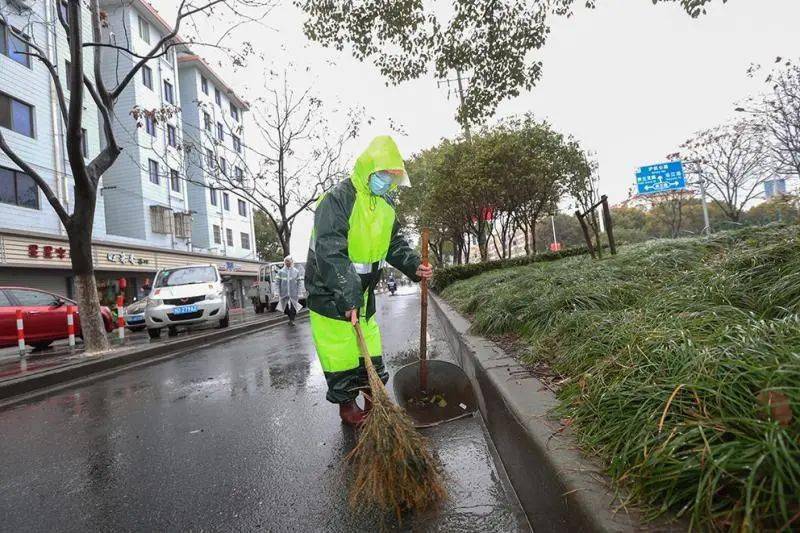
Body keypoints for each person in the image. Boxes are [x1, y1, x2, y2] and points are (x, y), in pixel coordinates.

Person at [305, 135, 433, 427]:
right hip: (328, 288)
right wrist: (346, 296)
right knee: (340, 350)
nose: (387, 182)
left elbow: (394, 244)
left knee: (369, 343)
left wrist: (415, 265)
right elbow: (330, 251)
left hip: (361, 288)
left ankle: (373, 396)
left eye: (392, 177)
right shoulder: (337, 199)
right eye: (384, 175)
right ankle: (347, 406)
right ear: (368, 170)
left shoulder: (386, 204)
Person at [276, 256, 302, 326]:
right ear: (284, 262)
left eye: (289, 261)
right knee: (284, 309)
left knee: (294, 308)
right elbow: (277, 283)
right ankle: (291, 318)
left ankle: (292, 320)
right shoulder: (280, 272)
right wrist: (276, 292)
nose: (288, 262)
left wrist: (299, 292)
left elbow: (299, 283)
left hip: (294, 293)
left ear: (291, 262)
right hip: (283, 293)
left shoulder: (296, 271)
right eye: (286, 261)